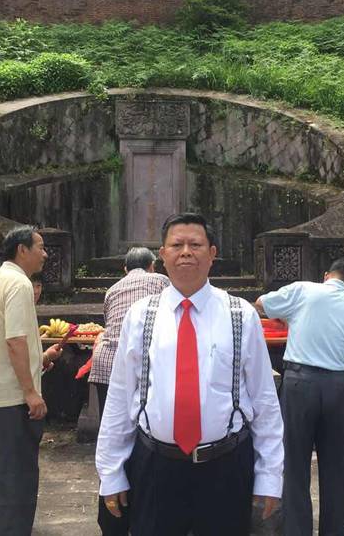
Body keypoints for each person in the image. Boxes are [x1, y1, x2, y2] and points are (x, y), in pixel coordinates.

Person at [96, 213, 283, 536]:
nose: (186, 252)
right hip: (155, 466)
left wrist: (270, 475)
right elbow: (120, 396)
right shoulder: (141, 316)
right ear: (162, 255)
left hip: (225, 466)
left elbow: (264, 399)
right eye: (176, 245)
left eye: (195, 244)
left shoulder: (240, 314)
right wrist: (111, 472)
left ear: (212, 254)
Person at [256, 258, 344, 536]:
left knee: (294, 460)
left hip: (300, 383)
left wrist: (289, 316)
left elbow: (261, 304)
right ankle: (335, 530)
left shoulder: (303, 290)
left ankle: (295, 529)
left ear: (326, 275)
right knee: (336, 464)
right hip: (339, 387)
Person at [0, 226, 63, 535]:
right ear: (22, 250)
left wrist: (40, 360)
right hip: (11, 401)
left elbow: (11, 345)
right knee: (15, 483)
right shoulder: (19, 284)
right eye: (40, 247)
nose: (45, 253)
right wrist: (30, 392)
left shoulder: (2, 279)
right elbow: (15, 341)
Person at [90, 247, 170, 536]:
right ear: (153, 265)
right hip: (142, 367)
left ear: (125, 268)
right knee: (142, 441)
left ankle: (113, 506)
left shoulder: (112, 289)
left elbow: (108, 323)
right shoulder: (161, 282)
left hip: (105, 365)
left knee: (112, 436)